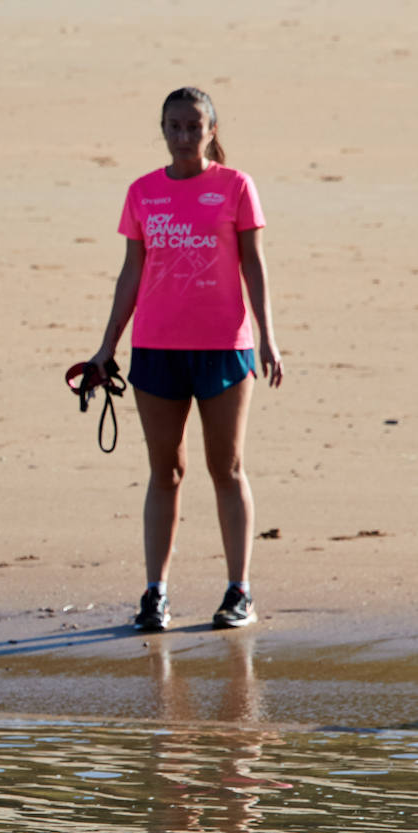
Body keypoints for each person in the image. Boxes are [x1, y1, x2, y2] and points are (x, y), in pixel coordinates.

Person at [90, 87, 283, 632]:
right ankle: (156, 594)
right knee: (166, 472)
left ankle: (239, 591)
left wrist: (268, 337)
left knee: (226, 467)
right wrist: (107, 346)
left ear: (211, 130)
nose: (183, 137)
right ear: (163, 130)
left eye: (193, 126)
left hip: (225, 346)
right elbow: (131, 273)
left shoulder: (236, 187)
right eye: (173, 127)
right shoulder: (142, 192)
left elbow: (254, 266)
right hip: (156, 348)